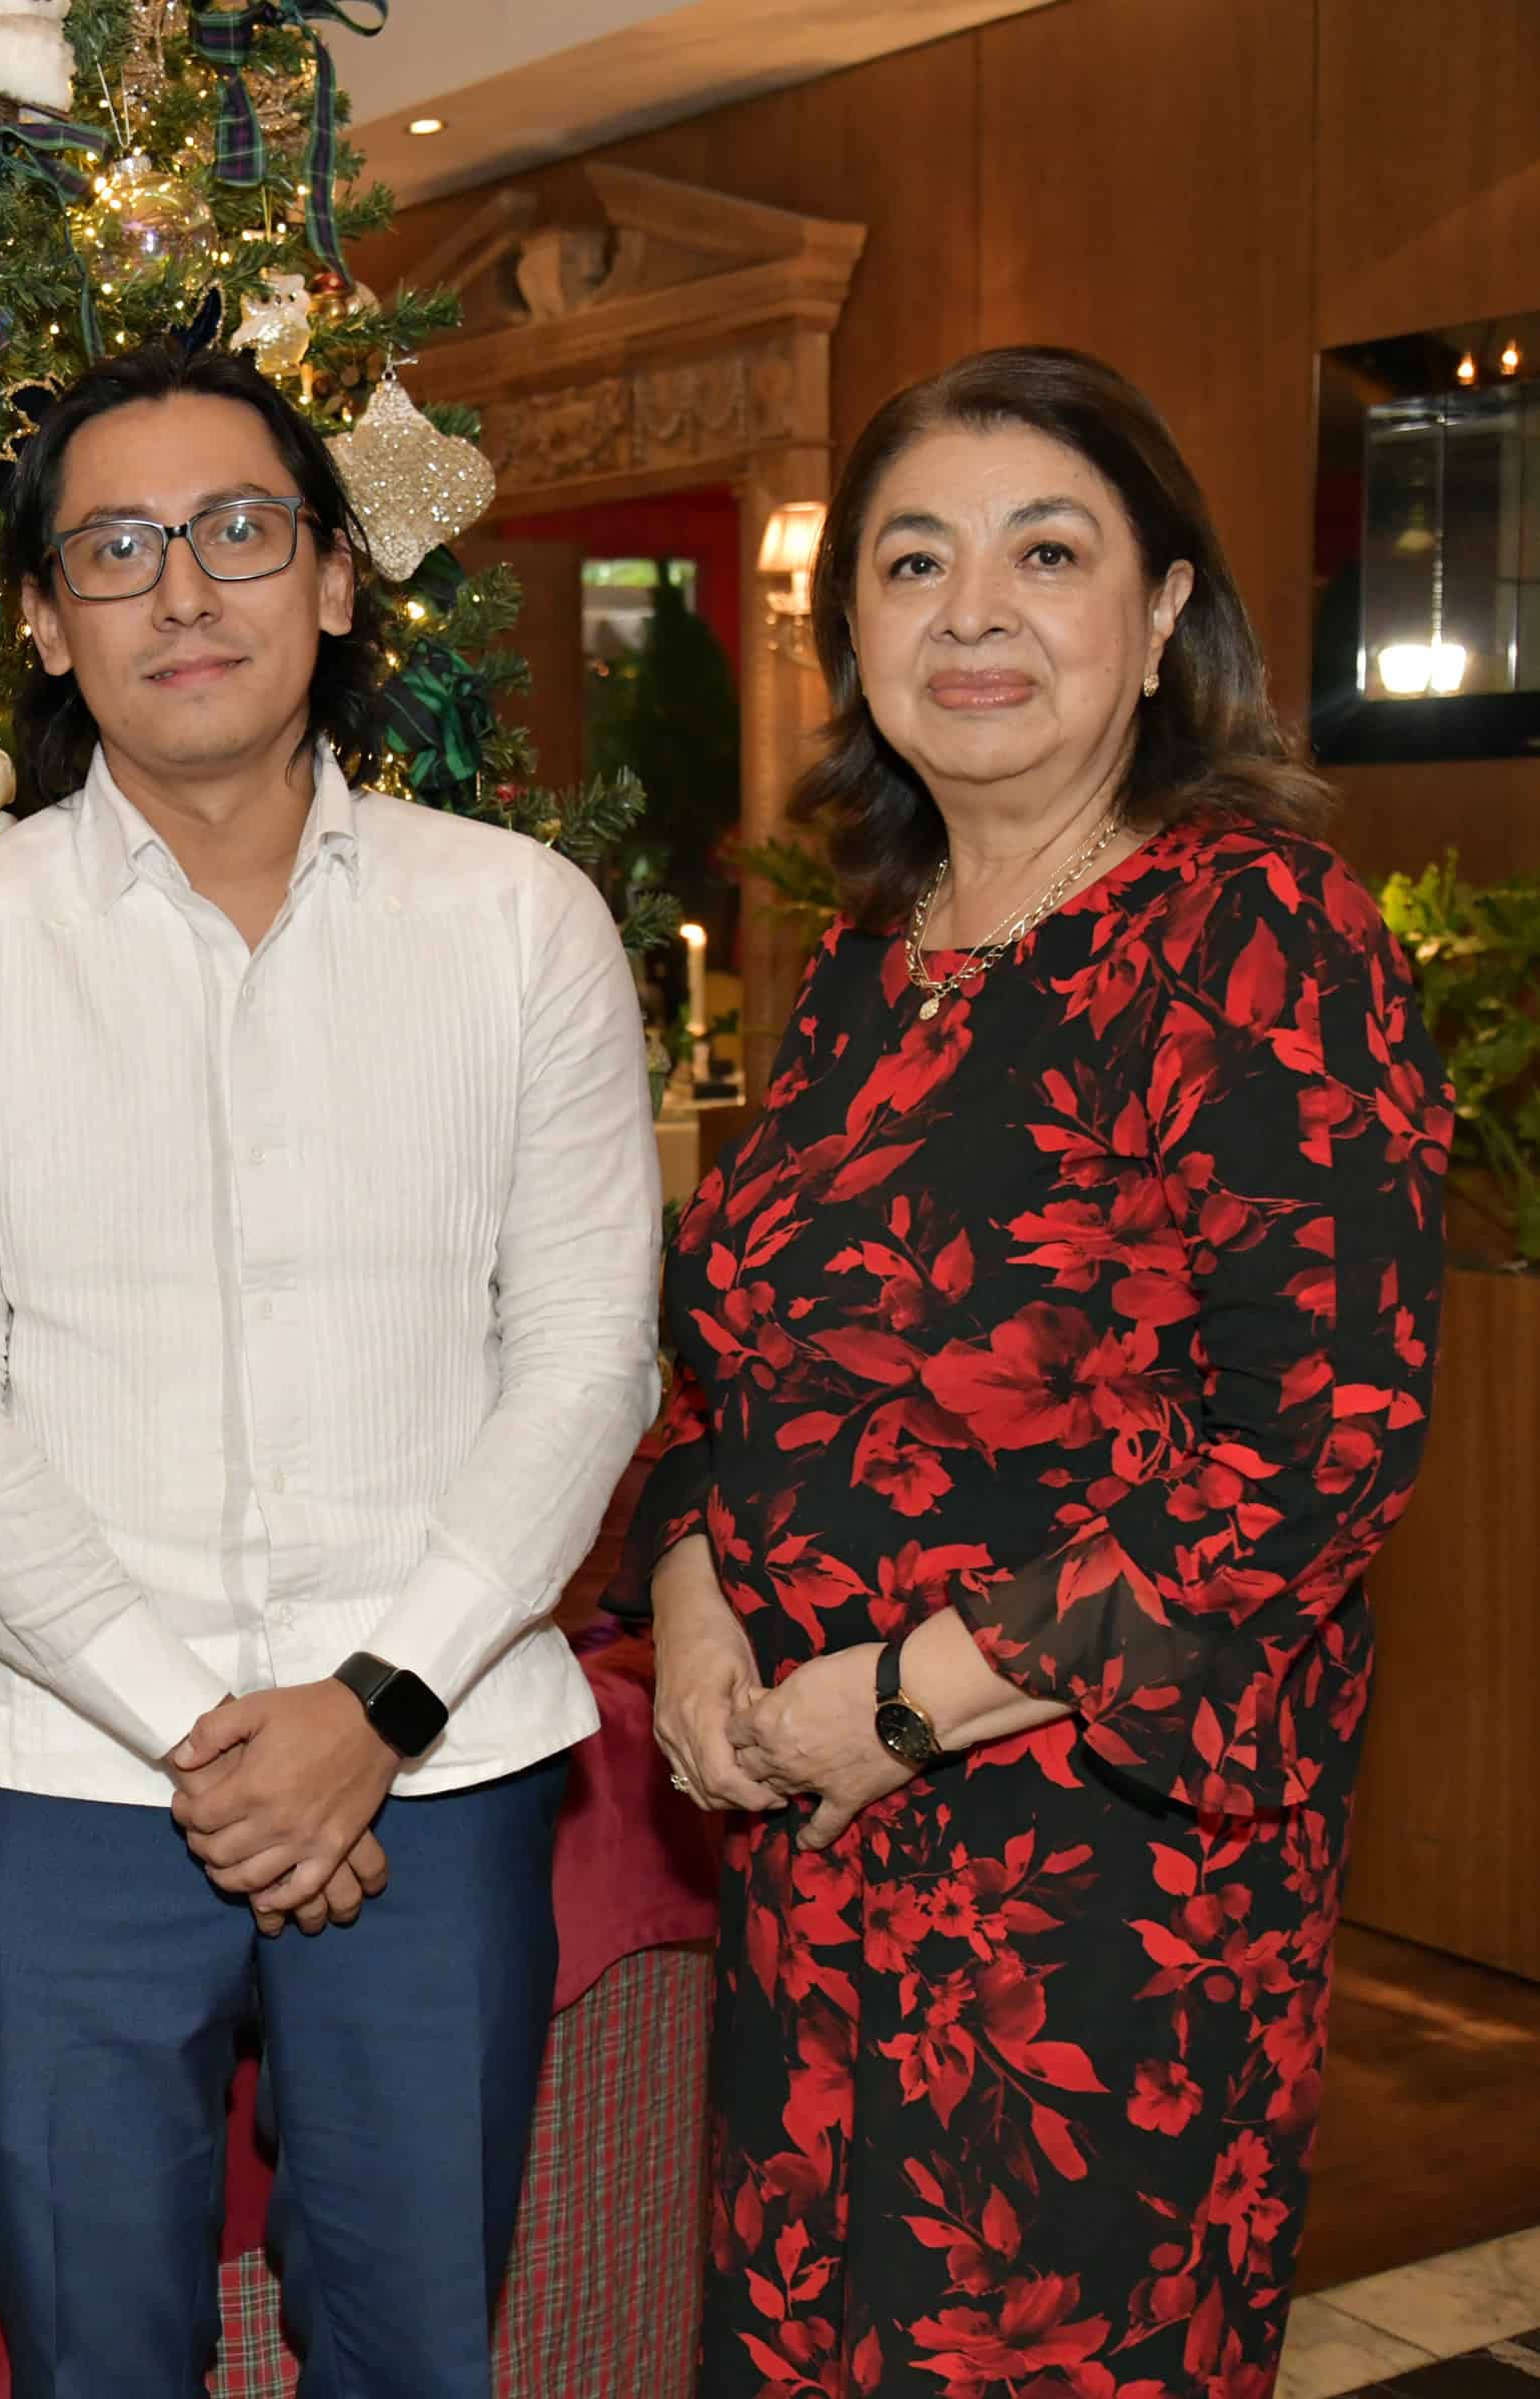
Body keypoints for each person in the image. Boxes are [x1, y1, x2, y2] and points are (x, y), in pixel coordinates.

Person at [0, 342, 663, 2396]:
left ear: (338, 582)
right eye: (115, 548)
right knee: (92, 2353)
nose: (182, 589)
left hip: (437, 1777)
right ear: (42, 617)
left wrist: (372, 1708)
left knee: (412, 2353)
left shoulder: (521, 927)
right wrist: (213, 1736)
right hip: (56, 1788)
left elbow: (585, 1365)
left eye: (238, 531)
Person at [623, 346, 1453, 2396]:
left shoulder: (1255, 930)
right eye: (914, 563)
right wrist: (695, 1592)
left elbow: (1315, 1455)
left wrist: (902, 1704)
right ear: (858, 637)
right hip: (821, 1864)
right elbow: (740, 1376)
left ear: (1166, 615)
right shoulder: (864, 965)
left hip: (1101, 1891)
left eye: (1046, 553)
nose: (972, 613)